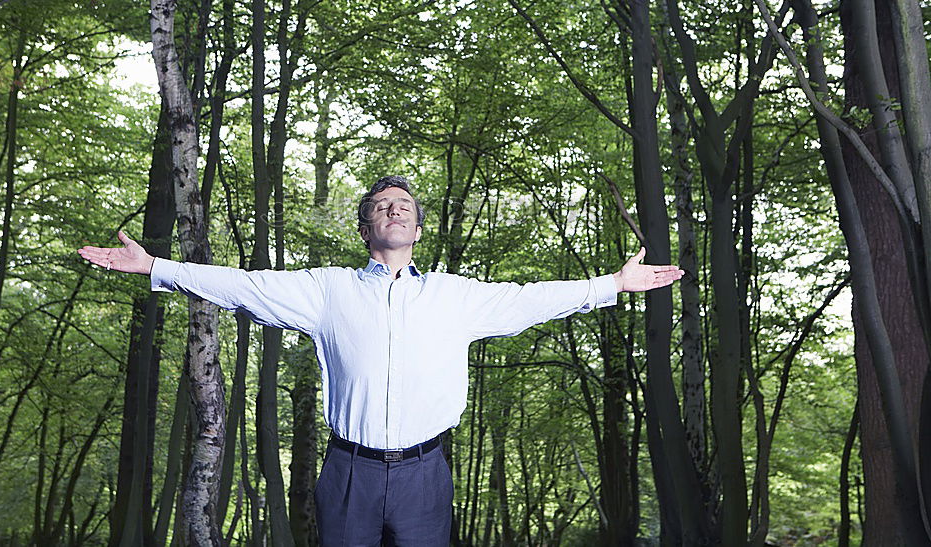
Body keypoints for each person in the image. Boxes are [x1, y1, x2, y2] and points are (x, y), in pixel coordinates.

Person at [78, 175, 683, 546]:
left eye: (404, 207)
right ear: (366, 227)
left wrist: (612, 285)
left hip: (426, 474)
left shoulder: (456, 296)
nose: (393, 211)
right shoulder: (327, 289)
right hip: (349, 474)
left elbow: (532, 301)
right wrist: (158, 268)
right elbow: (244, 285)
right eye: (381, 206)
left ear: (418, 228)